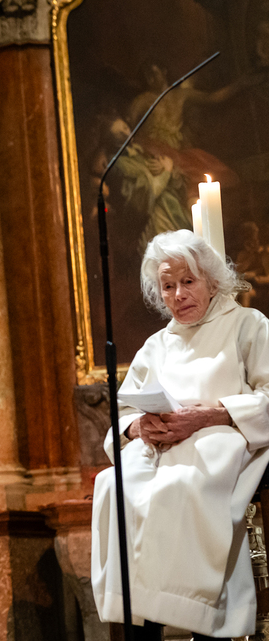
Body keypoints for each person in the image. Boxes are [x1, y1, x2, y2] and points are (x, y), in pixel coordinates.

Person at [91, 229, 269, 640]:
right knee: (113, 486)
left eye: (188, 281)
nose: (178, 294)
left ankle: (199, 614)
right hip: (158, 448)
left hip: (219, 442)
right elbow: (123, 413)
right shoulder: (157, 345)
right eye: (167, 286)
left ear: (212, 281)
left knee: (181, 486)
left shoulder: (247, 324)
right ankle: (139, 617)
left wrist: (212, 415)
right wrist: (139, 426)